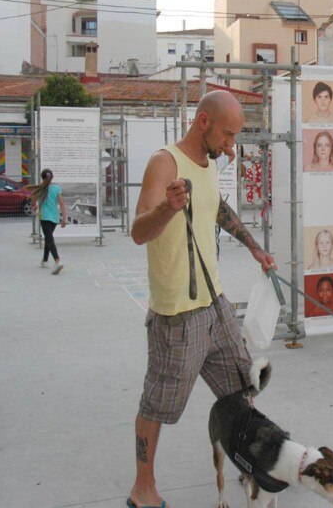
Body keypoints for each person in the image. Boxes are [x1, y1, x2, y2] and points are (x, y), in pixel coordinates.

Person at [128, 90, 275, 508]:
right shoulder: (165, 162)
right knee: (158, 404)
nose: (232, 145)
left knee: (243, 384)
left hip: (216, 306)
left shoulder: (208, 164)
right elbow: (139, 231)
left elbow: (217, 208)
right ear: (204, 122)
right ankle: (143, 487)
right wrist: (169, 208)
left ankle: (250, 466)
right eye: (228, 135)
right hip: (176, 316)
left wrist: (254, 247)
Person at [29, 168, 67, 274]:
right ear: (52, 177)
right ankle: (45, 260)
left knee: (49, 239)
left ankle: (57, 261)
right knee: (48, 237)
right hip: (54, 218)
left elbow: (33, 202)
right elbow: (62, 204)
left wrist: (35, 206)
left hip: (44, 217)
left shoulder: (39, 189)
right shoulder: (56, 188)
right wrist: (64, 218)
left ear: (42, 177)